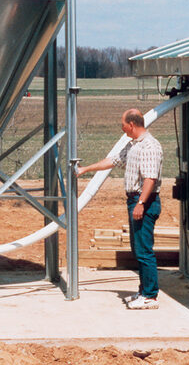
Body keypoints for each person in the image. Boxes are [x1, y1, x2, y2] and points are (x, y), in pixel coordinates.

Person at [76, 108, 163, 310]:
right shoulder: (133, 145)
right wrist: (85, 169)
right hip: (136, 200)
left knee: (144, 250)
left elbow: (150, 178)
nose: (121, 128)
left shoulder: (149, 146)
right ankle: (144, 291)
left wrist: (141, 203)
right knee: (138, 248)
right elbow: (114, 160)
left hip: (145, 201)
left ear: (131, 124)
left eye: (122, 124)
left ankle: (150, 296)